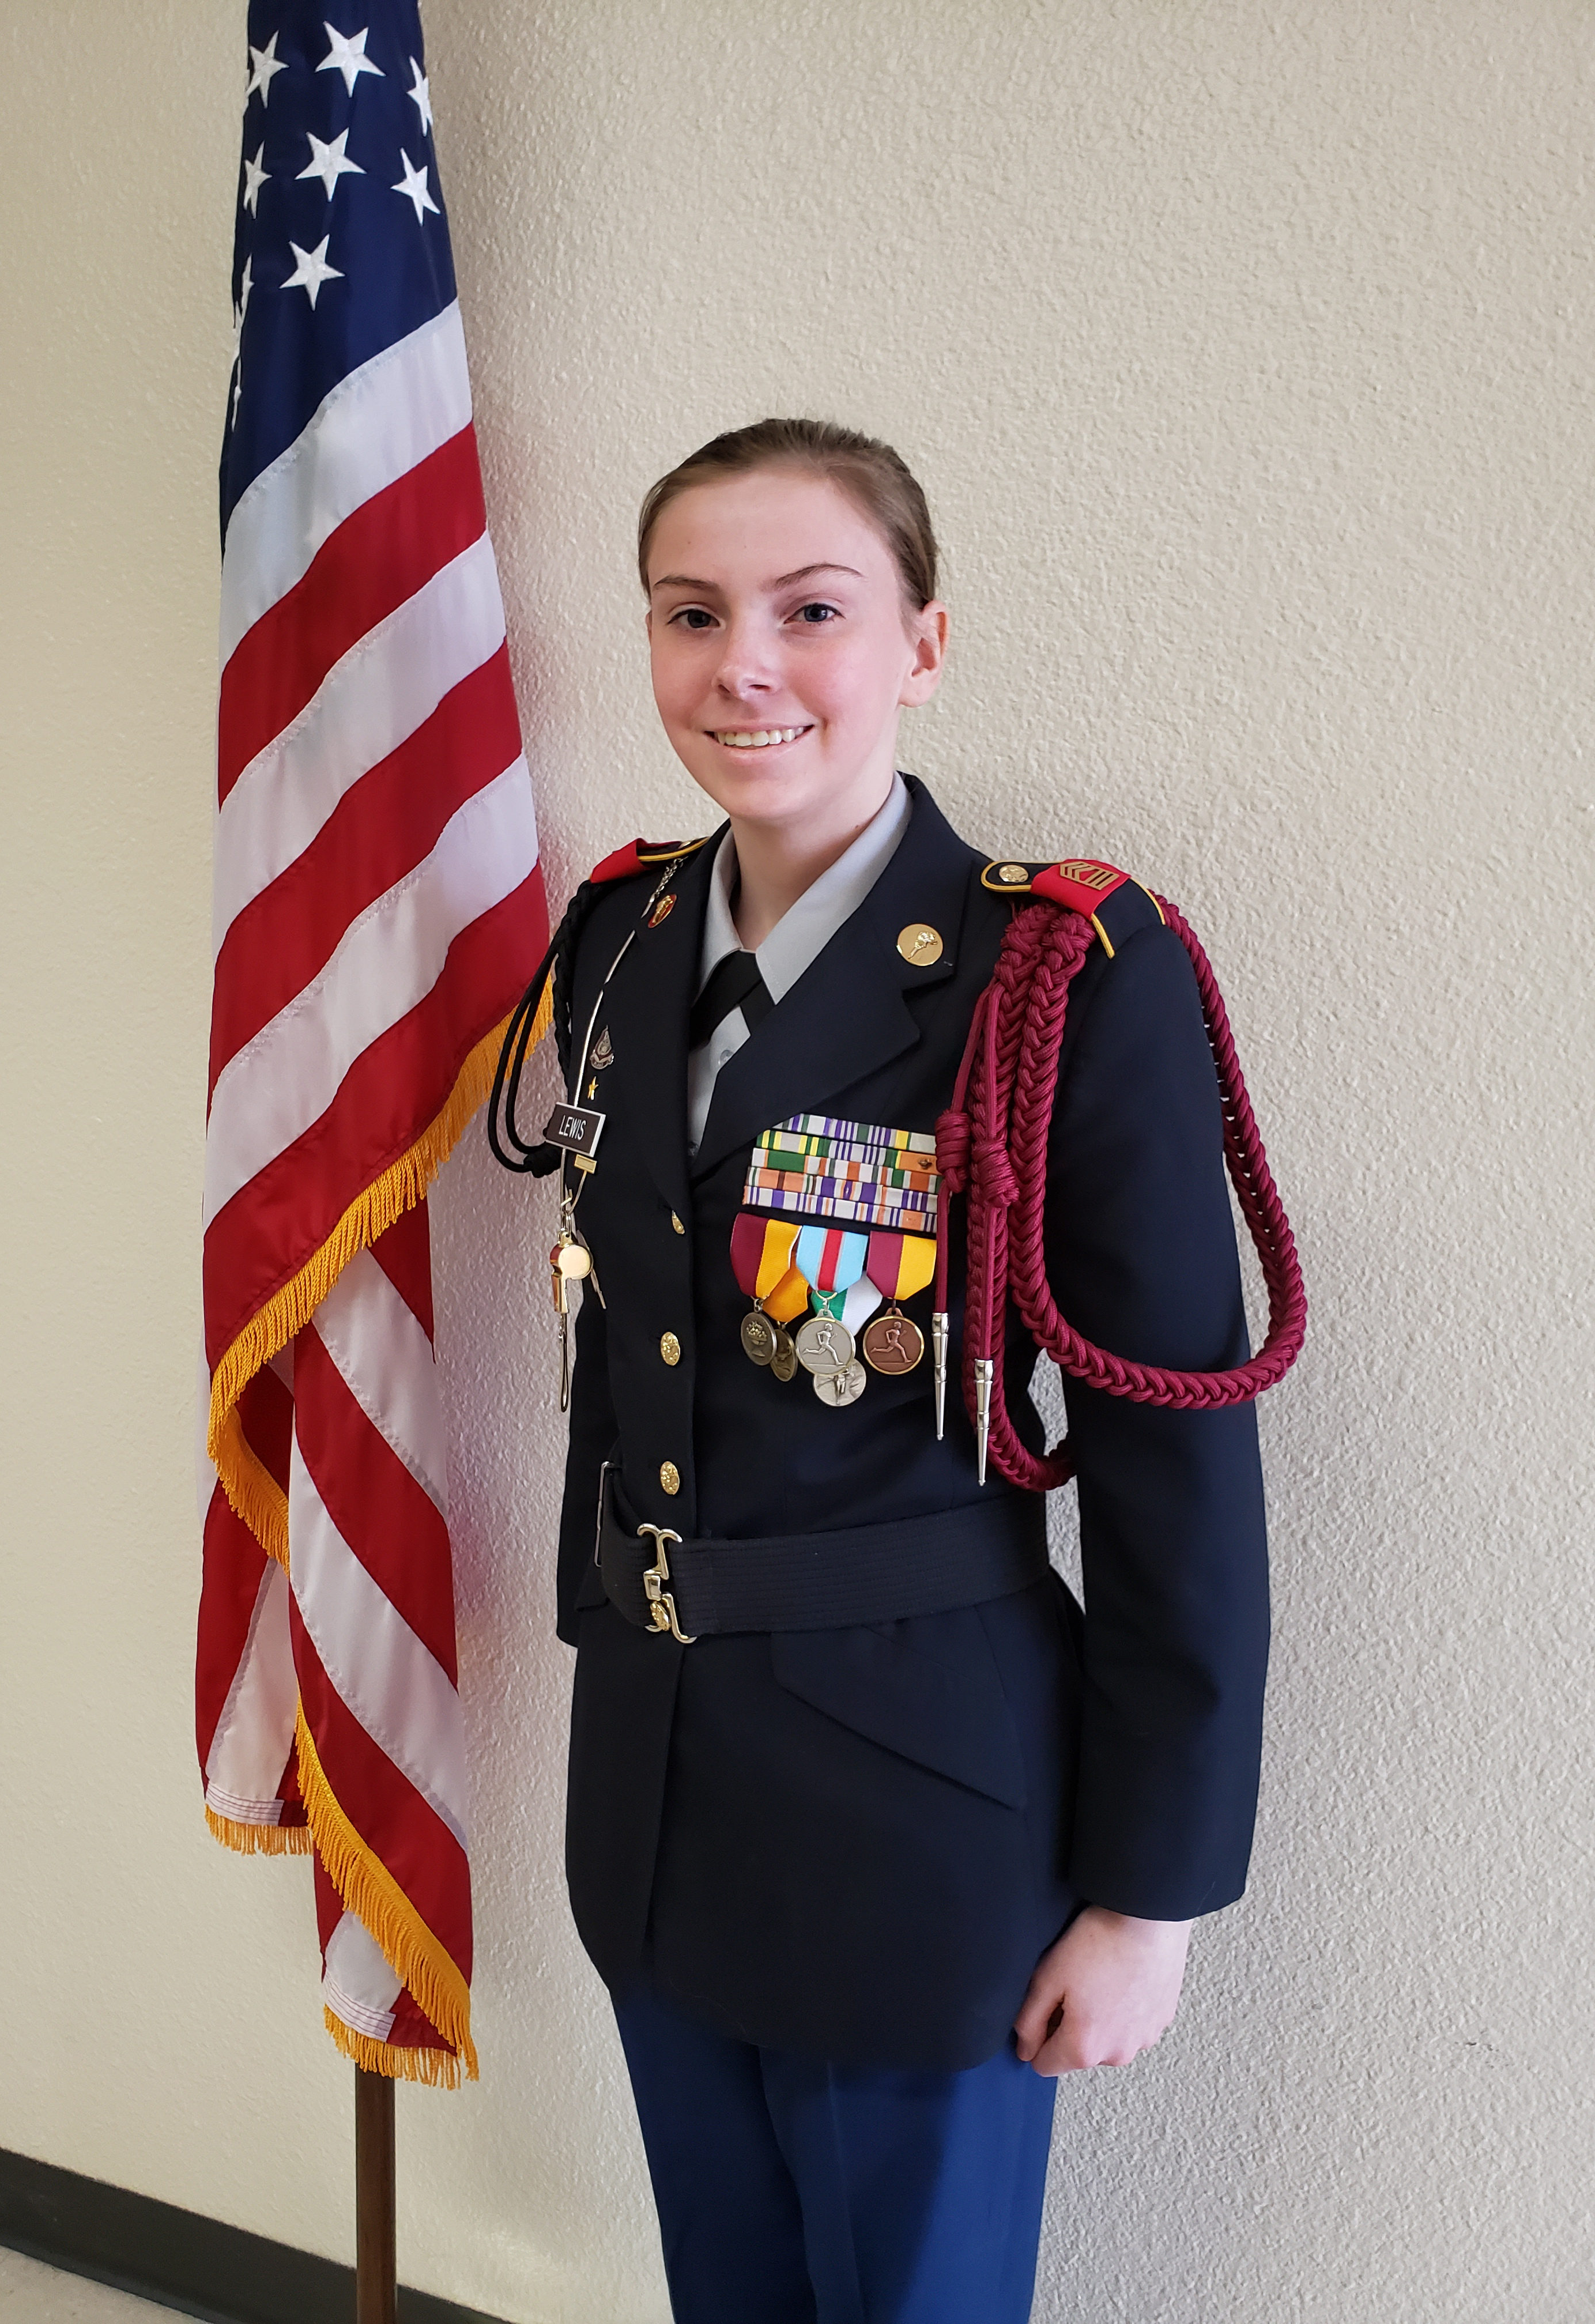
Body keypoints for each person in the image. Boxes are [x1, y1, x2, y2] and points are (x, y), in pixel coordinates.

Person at [491, 418, 1274, 2323]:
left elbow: (1179, 1462)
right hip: (659, 1790)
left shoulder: (1058, 974)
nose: (740, 664)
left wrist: (1151, 1893)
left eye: (810, 609)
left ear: (921, 643)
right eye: (693, 614)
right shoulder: (617, 940)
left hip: (928, 1820)